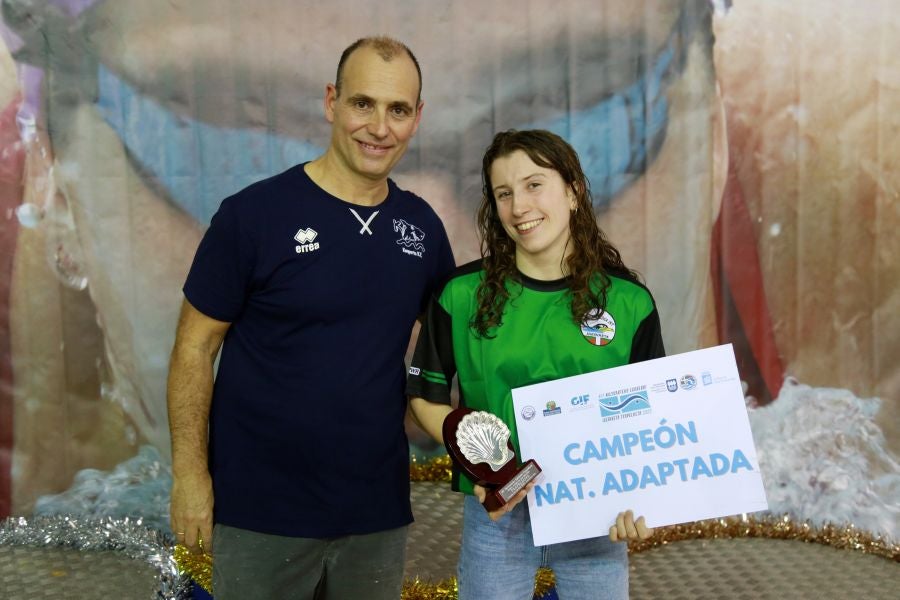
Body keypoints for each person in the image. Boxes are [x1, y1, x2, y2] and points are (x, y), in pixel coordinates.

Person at [166, 36, 455, 599]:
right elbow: (194, 348)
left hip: (375, 513)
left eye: (398, 110)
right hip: (260, 512)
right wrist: (190, 476)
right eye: (362, 104)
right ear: (331, 102)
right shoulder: (253, 216)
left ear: (416, 119)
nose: (379, 127)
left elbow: (463, 349)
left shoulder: (422, 228)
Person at [407, 129, 660, 599]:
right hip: (498, 514)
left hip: (596, 518)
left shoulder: (629, 303)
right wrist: (486, 464)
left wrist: (641, 504)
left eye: (533, 184)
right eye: (504, 193)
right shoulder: (461, 295)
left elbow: (649, 421)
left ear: (573, 191)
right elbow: (426, 395)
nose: (519, 206)